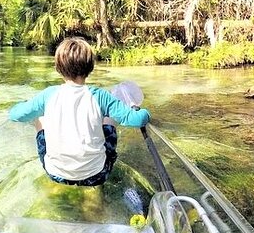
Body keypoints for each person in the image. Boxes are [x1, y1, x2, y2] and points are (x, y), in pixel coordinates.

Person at [9, 37, 151, 186]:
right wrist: (144, 112)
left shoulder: (48, 95)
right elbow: (138, 119)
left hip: (56, 174)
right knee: (109, 119)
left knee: (40, 119)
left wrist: (24, 104)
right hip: (97, 175)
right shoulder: (101, 96)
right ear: (90, 67)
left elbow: (15, 115)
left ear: (58, 68)